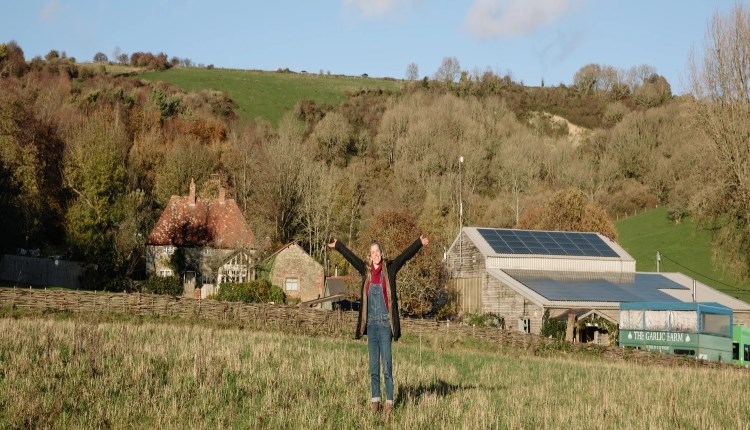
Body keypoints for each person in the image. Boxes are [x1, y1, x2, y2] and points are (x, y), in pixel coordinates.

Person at [327, 234, 429, 418]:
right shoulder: (365, 271)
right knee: (373, 367)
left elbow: (405, 256)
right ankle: (375, 400)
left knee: (387, 366)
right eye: (372, 252)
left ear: (381, 253)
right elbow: (352, 258)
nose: (375, 255)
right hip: (371, 325)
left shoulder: (390, 269)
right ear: (369, 256)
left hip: (385, 325)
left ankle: (389, 403)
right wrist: (338, 246)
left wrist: (419, 243)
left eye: (377, 252)